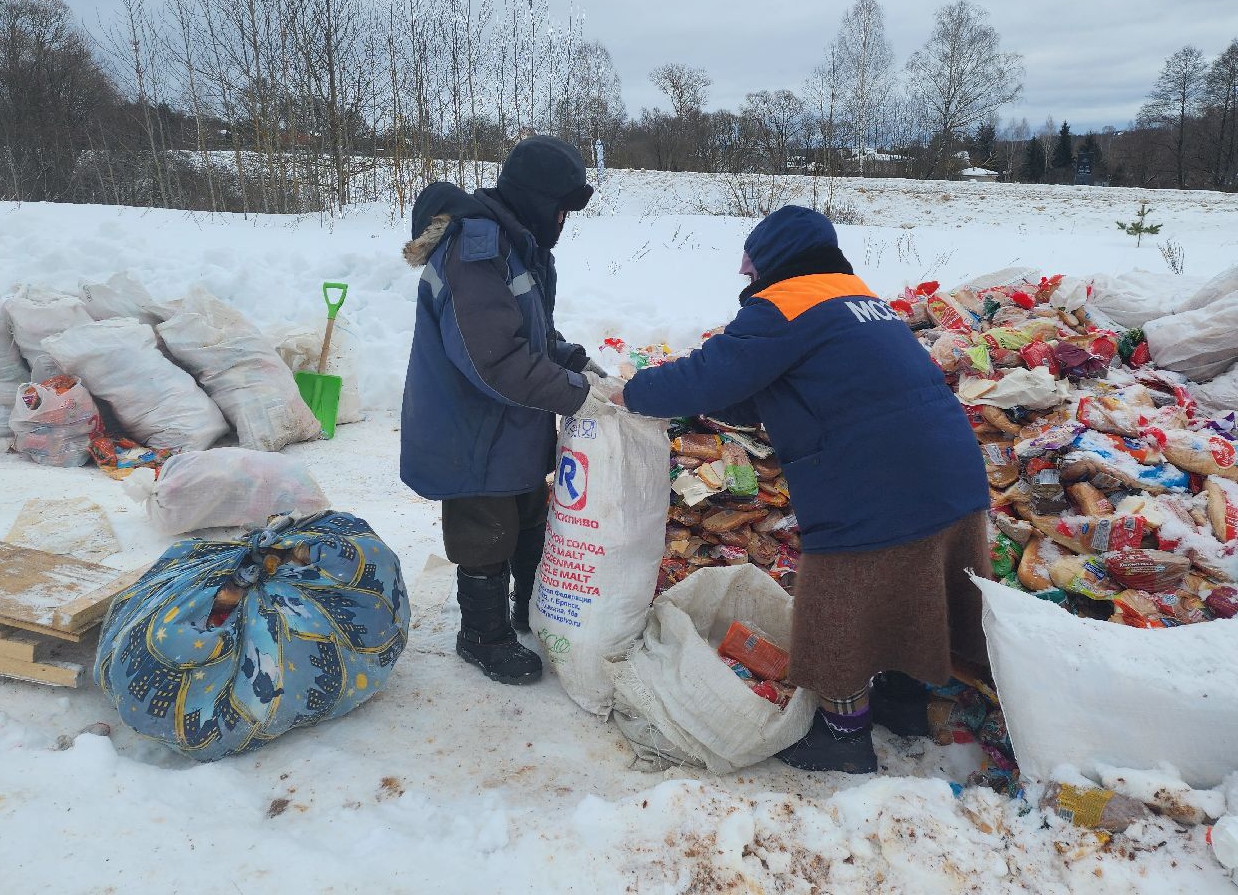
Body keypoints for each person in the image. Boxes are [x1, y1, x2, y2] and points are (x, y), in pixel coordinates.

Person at [615, 205, 991, 773]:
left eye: (752, 271)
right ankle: (904, 704)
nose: (749, 283)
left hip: (876, 486)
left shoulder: (786, 303)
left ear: (775, 262)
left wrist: (634, 391)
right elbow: (759, 387)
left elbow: (710, 375)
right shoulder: (859, 301)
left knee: (839, 604)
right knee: (918, 591)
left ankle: (844, 738)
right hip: (949, 478)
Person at [400, 135, 612, 687]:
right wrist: (574, 392)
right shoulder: (478, 248)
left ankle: (527, 609)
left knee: (527, 516)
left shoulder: (519, 245)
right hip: (471, 427)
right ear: (539, 199)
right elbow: (491, 358)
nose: (565, 220)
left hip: (509, 424)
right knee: (485, 528)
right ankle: (482, 635)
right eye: (562, 208)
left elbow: (530, 331)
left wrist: (579, 365)